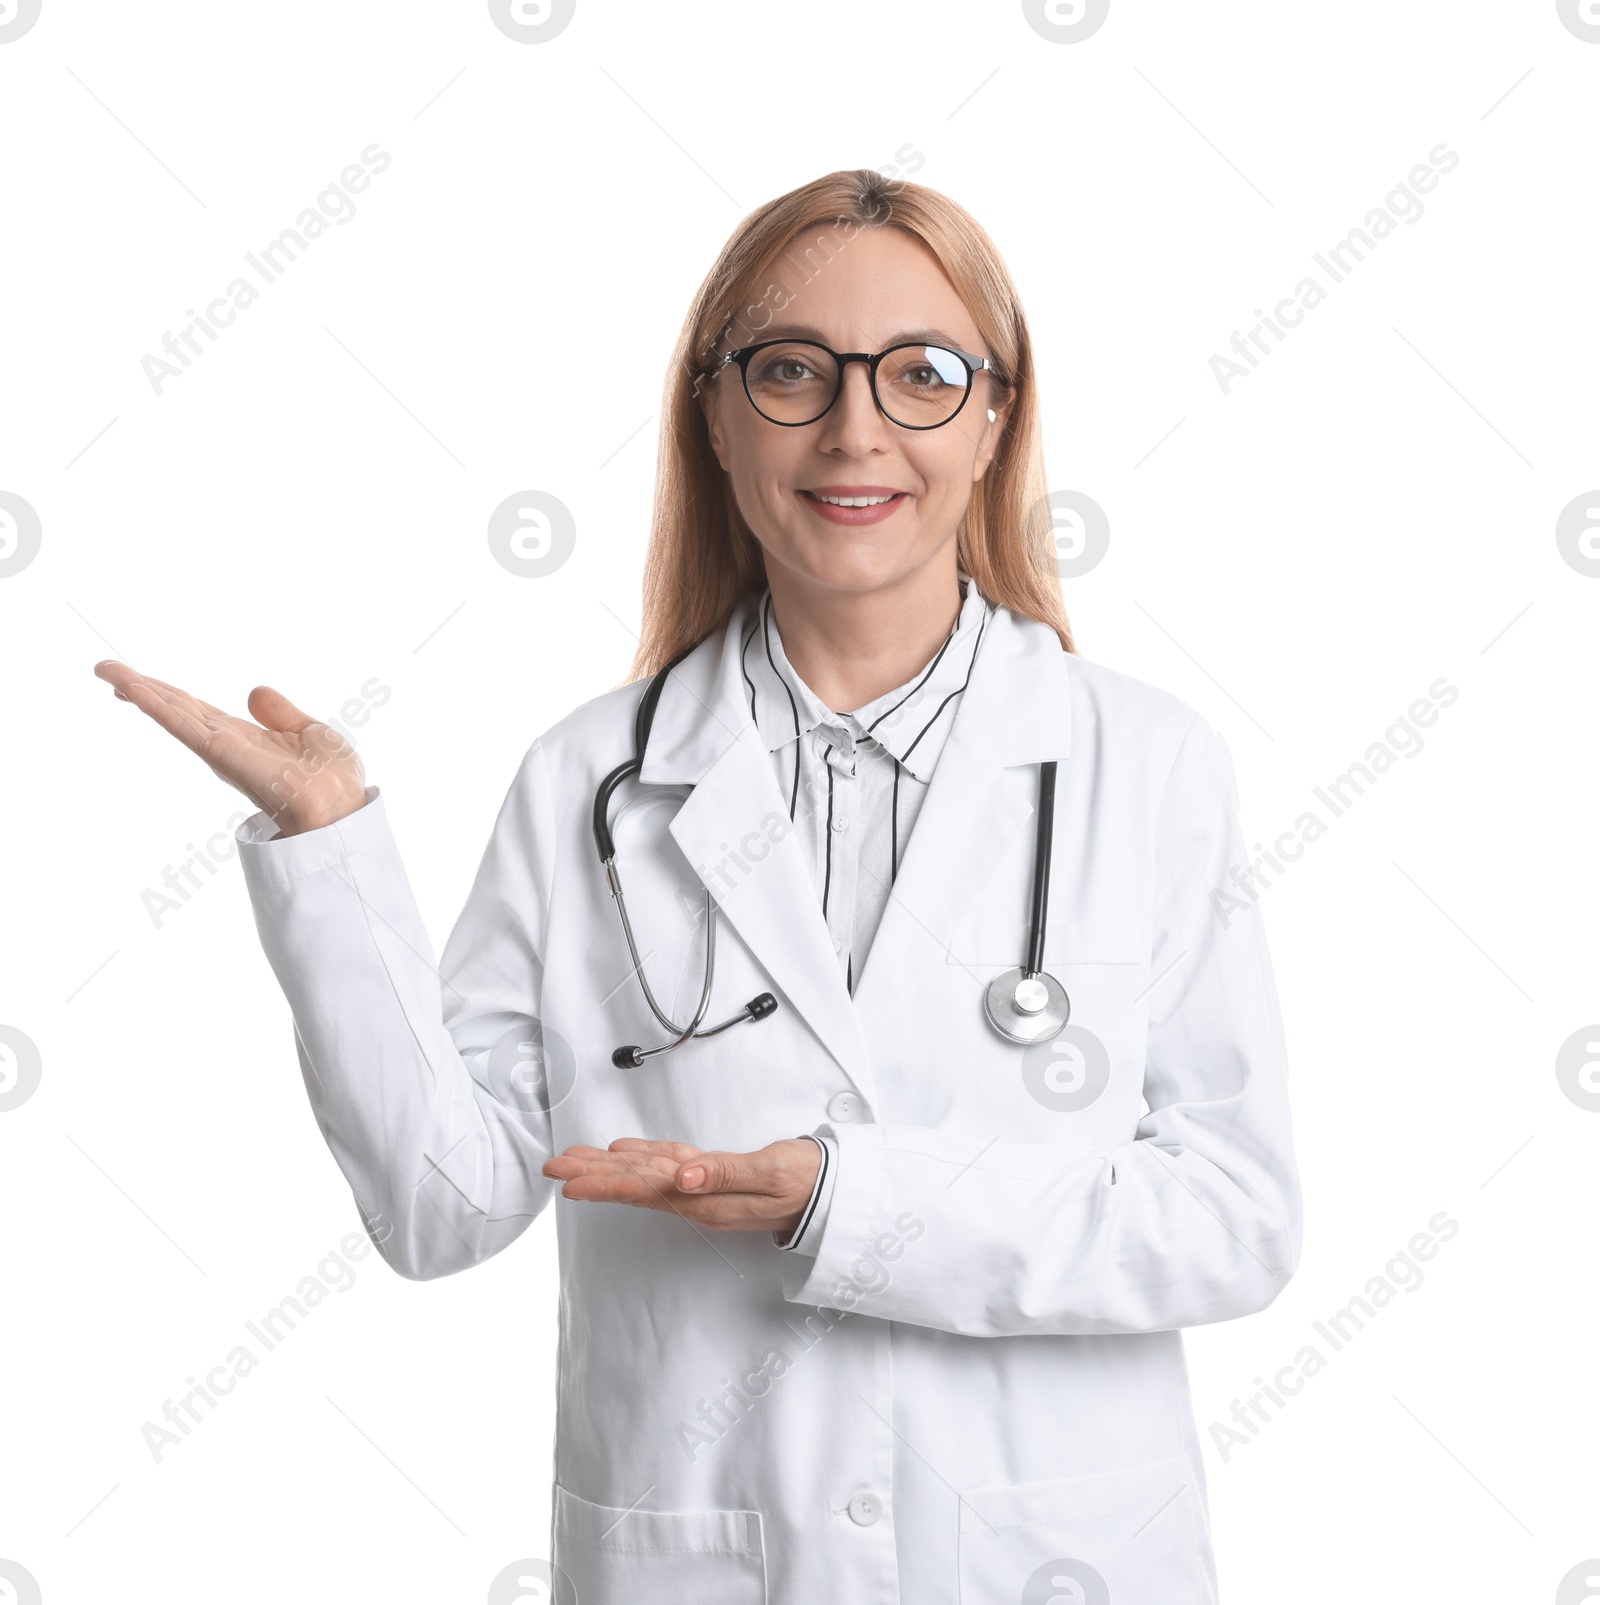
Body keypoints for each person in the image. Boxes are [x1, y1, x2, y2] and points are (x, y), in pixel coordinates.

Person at [94, 168, 1302, 1604]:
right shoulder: (590, 782)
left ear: (994, 417)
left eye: (920, 373)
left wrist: (846, 1203)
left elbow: (1234, 1215)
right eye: (791, 371)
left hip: (1055, 1560)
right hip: (703, 1558)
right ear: (714, 414)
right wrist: (327, 847)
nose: (856, 427)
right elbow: (442, 1206)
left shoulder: (1145, 767)